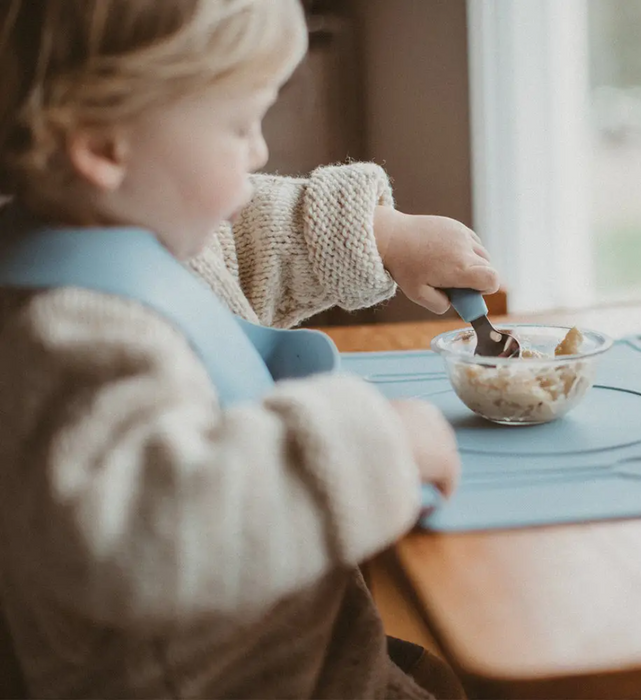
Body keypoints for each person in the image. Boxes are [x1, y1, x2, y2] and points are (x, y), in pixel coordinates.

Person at [0, 1, 498, 697]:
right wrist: (376, 443)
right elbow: (152, 531)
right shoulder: (71, 340)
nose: (260, 151)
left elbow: (241, 232)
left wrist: (383, 234)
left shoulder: (125, 221)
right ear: (104, 147)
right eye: (238, 125)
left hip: (308, 652)